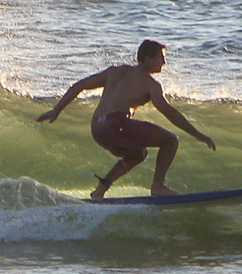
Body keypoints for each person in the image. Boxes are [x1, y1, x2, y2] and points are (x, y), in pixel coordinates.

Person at [36, 40, 216, 198]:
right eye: (160, 57)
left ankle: (100, 190)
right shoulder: (150, 84)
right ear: (147, 58)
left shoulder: (115, 71)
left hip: (97, 127)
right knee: (170, 141)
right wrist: (197, 134)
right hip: (116, 124)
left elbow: (80, 85)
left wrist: (57, 110)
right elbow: (168, 111)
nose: (164, 62)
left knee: (138, 154)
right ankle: (158, 187)